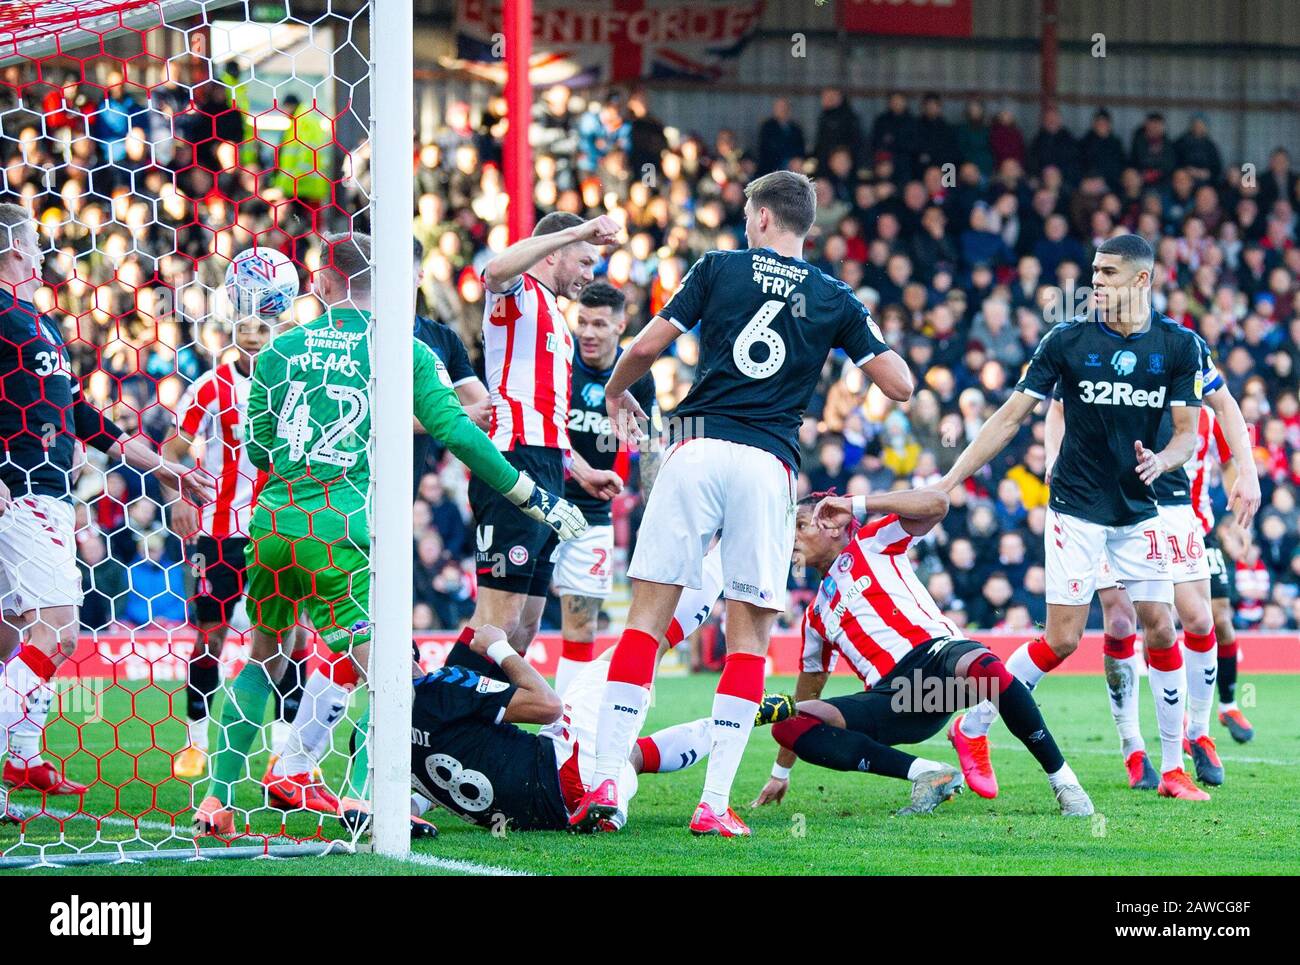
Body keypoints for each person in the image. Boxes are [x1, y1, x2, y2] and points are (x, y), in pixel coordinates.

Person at [194, 231, 586, 834]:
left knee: (263, 657)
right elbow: (459, 435)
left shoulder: (280, 348)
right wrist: (526, 493)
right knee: (389, 672)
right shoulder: (404, 351)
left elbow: (258, 446)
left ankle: (216, 801)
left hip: (272, 524)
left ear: (324, 284)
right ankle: (365, 800)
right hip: (346, 529)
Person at [570, 170, 912, 837]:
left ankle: (606, 781)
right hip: (767, 464)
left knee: (645, 620)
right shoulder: (833, 295)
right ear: (803, 225)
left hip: (693, 450)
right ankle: (714, 803)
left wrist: (613, 393)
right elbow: (898, 383)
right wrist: (850, 337)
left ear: (759, 218)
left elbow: (645, 346)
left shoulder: (718, 267)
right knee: (748, 637)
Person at [938, 233, 1213, 803]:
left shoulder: (1179, 346)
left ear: (1141, 280)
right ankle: (972, 727)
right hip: (1077, 507)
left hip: (1142, 508)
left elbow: (1188, 434)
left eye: (1107, 273)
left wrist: (1163, 460)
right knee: (1062, 640)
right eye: (1093, 271)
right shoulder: (1066, 340)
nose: (1095, 281)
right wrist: (948, 482)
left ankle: (1171, 769)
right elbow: (1010, 418)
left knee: (1162, 625)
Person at [0, 203, 213, 822]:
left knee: (11, 635)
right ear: (16, 250)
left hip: (44, 486)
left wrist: (167, 469)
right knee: (61, 627)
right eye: (36, 246)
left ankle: (18, 759)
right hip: (21, 487)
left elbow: (85, 421)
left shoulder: (35, 321)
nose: (45, 255)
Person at [749, 489, 1092, 817]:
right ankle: (929, 773)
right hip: (896, 701)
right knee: (787, 725)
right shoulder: (814, 617)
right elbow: (809, 689)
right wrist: (781, 771)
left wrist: (855, 504)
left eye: (800, 525)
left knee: (985, 667)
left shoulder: (871, 542)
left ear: (833, 524)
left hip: (938, 659)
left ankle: (1064, 781)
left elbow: (938, 503)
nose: (792, 537)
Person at [1046, 333, 1259, 790]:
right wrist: (1051, 459)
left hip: (1179, 505)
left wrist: (1247, 476)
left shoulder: (1187, 355)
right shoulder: (1101, 352)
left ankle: (1199, 733)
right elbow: (1059, 405)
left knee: (1200, 619)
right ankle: (1133, 747)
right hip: (1113, 500)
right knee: (1122, 622)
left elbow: (1228, 415)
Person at [461, 212, 624, 667]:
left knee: (527, 624)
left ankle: (486, 721)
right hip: (514, 462)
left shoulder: (554, 314)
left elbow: (548, 416)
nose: (591, 275)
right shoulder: (517, 293)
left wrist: (582, 470)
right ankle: (434, 725)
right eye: (585, 261)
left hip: (549, 465)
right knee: (499, 618)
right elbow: (492, 272)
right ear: (554, 253)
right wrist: (578, 230)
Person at [551, 282, 659, 697]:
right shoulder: (560, 362)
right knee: (519, 622)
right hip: (542, 500)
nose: (588, 333)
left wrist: (655, 509)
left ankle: (560, 735)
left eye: (599, 324)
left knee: (581, 628)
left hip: (592, 514)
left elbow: (650, 445)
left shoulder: (638, 377)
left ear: (620, 325)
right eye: (582, 322)